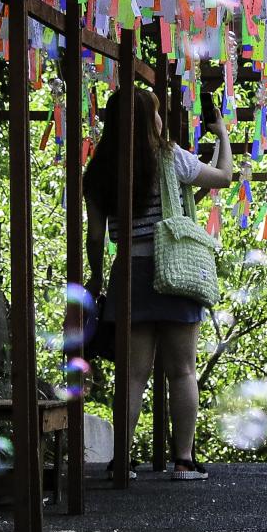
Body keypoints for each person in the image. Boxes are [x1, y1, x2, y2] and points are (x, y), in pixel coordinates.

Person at [84, 86, 233, 481]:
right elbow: (223, 177)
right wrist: (222, 135)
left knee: (133, 374)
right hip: (177, 271)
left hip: (128, 275)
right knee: (182, 370)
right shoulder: (169, 157)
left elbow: (96, 237)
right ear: (150, 119)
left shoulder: (98, 170)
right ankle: (182, 460)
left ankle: (121, 459)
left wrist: (96, 277)